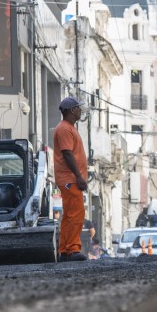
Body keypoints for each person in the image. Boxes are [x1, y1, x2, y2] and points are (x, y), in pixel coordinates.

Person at [54, 97, 89, 262]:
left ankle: (65, 250)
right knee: (76, 214)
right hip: (70, 179)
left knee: (69, 215)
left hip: (70, 178)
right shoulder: (64, 129)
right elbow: (67, 153)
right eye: (78, 108)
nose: (80, 111)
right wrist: (79, 176)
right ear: (71, 111)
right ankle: (73, 249)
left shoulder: (69, 128)